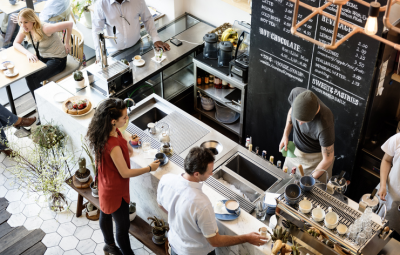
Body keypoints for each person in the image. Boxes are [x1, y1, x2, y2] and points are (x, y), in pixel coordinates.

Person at [157, 147, 268, 255]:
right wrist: (246, 238)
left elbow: (160, 205)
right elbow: (215, 241)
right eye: (210, 172)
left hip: (174, 247)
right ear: (196, 174)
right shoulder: (202, 204)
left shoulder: (166, 179)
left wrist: (181, 220)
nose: (211, 174)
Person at [86, 98, 160, 255]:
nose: (127, 119)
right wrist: (149, 168)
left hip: (105, 183)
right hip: (115, 191)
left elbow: (128, 151)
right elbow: (125, 172)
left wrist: (129, 142)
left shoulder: (109, 131)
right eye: (125, 117)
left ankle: (109, 245)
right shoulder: (112, 145)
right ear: (113, 121)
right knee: (123, 227)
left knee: (105, 213)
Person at [13, 8, 72, 103]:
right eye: (21, 22)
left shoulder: (45, 28)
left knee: (33, 78)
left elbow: (69, 24)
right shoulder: (24, 27)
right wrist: (28, 53)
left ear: (32, 20)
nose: (23, 25)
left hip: (58, 59)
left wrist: (67, 43)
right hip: (43, 57)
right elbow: (16, 43)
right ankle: (46, 100)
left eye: (26, 22)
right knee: (28, 75)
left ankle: (43, 102)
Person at [279, 87, 335, 181]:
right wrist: (285, 135)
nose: (300, 124)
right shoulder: (296, 93)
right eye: (297, 120)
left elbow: (328, 159)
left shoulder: (325, 123)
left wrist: (311, 178)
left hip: (316, 161)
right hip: (295, 152)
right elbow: (291, 110)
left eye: (304, 122)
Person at [91, 0, 170, 63]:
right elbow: (97, 29)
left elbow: (147, 19)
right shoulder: (101, 3)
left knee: (138, 77)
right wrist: (99, 55)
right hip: (114, 53)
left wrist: (156, 38)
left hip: (136, 48)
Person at [377, 133, 400, 238]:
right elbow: (386, 160)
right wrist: (383, 185)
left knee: (392, 240)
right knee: (375, 228)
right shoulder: (398, 139)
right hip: (388, 194)